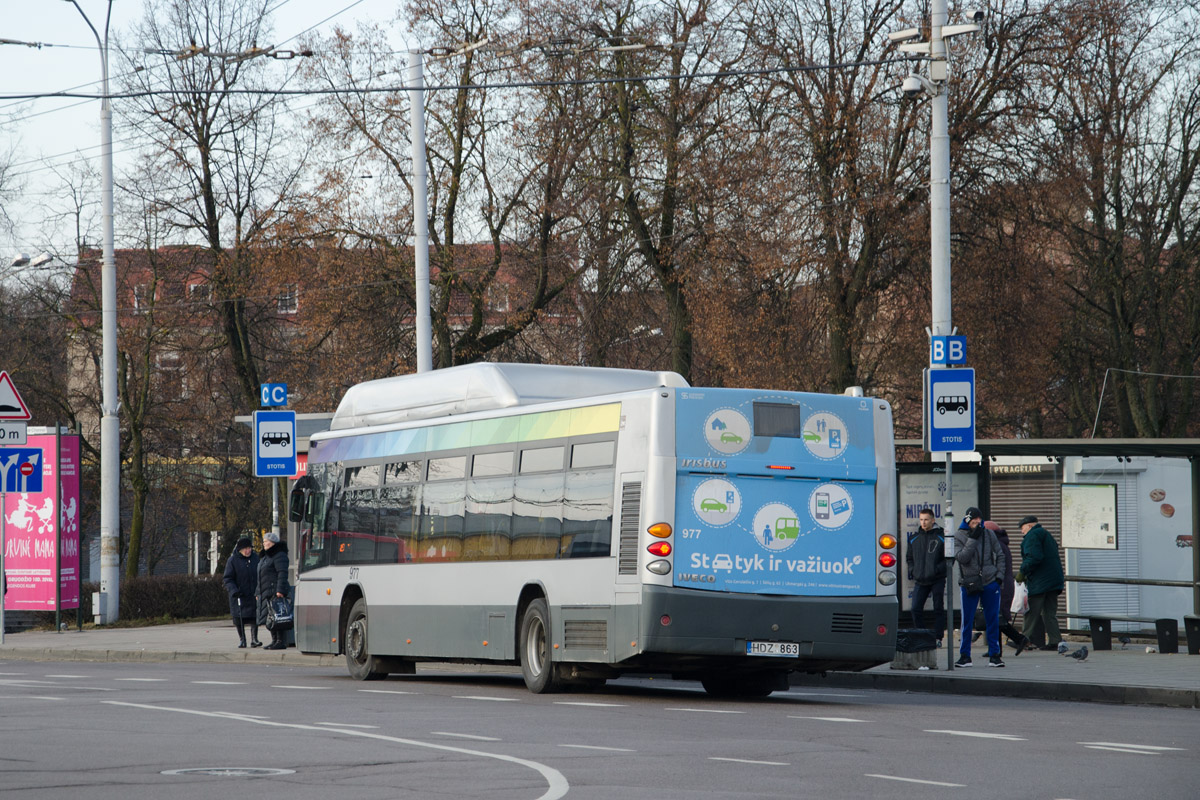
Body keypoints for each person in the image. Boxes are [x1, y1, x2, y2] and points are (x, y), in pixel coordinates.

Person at [953, 507, 1006, 668]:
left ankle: (995, 655)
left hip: (990, 581)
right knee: (967, 621)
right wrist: (972, 539)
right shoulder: (958, 536)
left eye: (979, 522)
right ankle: (965, 656)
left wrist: (999, 577)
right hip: (969, 582)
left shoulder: (989, 534)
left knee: (992, 619)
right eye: (973, 522)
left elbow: (1000, 555)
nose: (977, 525)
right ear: (967, 521)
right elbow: (962, 557)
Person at [1016, 515, 1064, 651]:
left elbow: (1034, 556)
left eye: (1023, 528)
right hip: (1054, 580)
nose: (1021, 531)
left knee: (1030, 611)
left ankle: (1023, 640)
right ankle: (1055, 641)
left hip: (1040, 581)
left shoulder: (1033, 535)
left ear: (1030, 526)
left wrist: (1023, 571)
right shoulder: (1046, 534)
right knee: (1050, 613)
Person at [985, 520, 1030, 656]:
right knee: (996, 617)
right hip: (1002, 583)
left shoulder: (996, 545)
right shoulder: (999, 543)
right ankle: (997, 648)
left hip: (1001, 585)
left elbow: (997, 567)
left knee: (998, 617)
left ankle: (1018, 639)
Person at [906, 508, 946, 643]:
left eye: (926, 519)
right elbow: (909, 558)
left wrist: (936, 570)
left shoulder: (941, 537)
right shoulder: (914, 538)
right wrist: (913, 570)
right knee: (915, 609)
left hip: (937, 579)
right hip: (920, 579)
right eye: (921, 519)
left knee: (938, 609)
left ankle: (938, 637)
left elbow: (948, 559)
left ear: (933, 520)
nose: (923, 522)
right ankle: (923, 636)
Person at [222, 536, 261, 648]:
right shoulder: (232, 560)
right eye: (245, 549)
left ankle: (254, 639)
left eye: (249, 548)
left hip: (253, 593)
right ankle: (242, 640)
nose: (248, 551)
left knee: (254, 616)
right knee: (239, 618)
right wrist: (234, 590)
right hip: (239, 594)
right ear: (240, 549)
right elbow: (227, 578)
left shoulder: (255, 558)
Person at [257, 530, 291, 650]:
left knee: (278, 616)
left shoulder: (279, 555)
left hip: (275, 590)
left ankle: (280, 641)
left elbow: (282, 573)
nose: (264, 543)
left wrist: (280, 590)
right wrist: (258, 592)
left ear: (272, 543)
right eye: (264, 541)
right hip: (266, 591)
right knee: (270, 616)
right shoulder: (265, 557)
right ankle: (274, 640)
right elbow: (260, 576)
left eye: (266, 541)